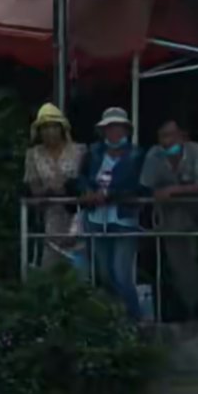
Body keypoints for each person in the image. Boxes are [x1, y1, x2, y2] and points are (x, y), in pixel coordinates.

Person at [140, 117, 198, 325]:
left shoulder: (196, 151)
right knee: (182, 268)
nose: (167, 141)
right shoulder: (154, 155)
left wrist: (172, 190)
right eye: (162, 137)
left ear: (183, 136)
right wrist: (164, 193)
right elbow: (148, 187)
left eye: (171, 135)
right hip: (172, 220)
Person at [78, 107, 145, 320]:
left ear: (125, 130)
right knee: (104, 274)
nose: (113, 132)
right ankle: (116, 320)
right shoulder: (93, 152)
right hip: (97, 219)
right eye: (109, 128)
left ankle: (136, 320)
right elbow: (81, 177)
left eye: (117, 127)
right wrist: (87, 191)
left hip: (123, 219)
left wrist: (109, 194)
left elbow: (137, 185)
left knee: (122, 274)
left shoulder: (136, 155)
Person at [24, 103, 86, 269]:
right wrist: (49, 189)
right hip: (49, 219)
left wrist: (68, 187)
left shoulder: (80, 151)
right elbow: (33, 188)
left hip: (78, 217)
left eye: (52, 126)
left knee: (81, 271)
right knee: (49, 269)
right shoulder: (33, 154)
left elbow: (88, 182)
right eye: (44, 127)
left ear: (61, 128)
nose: (49, 131)